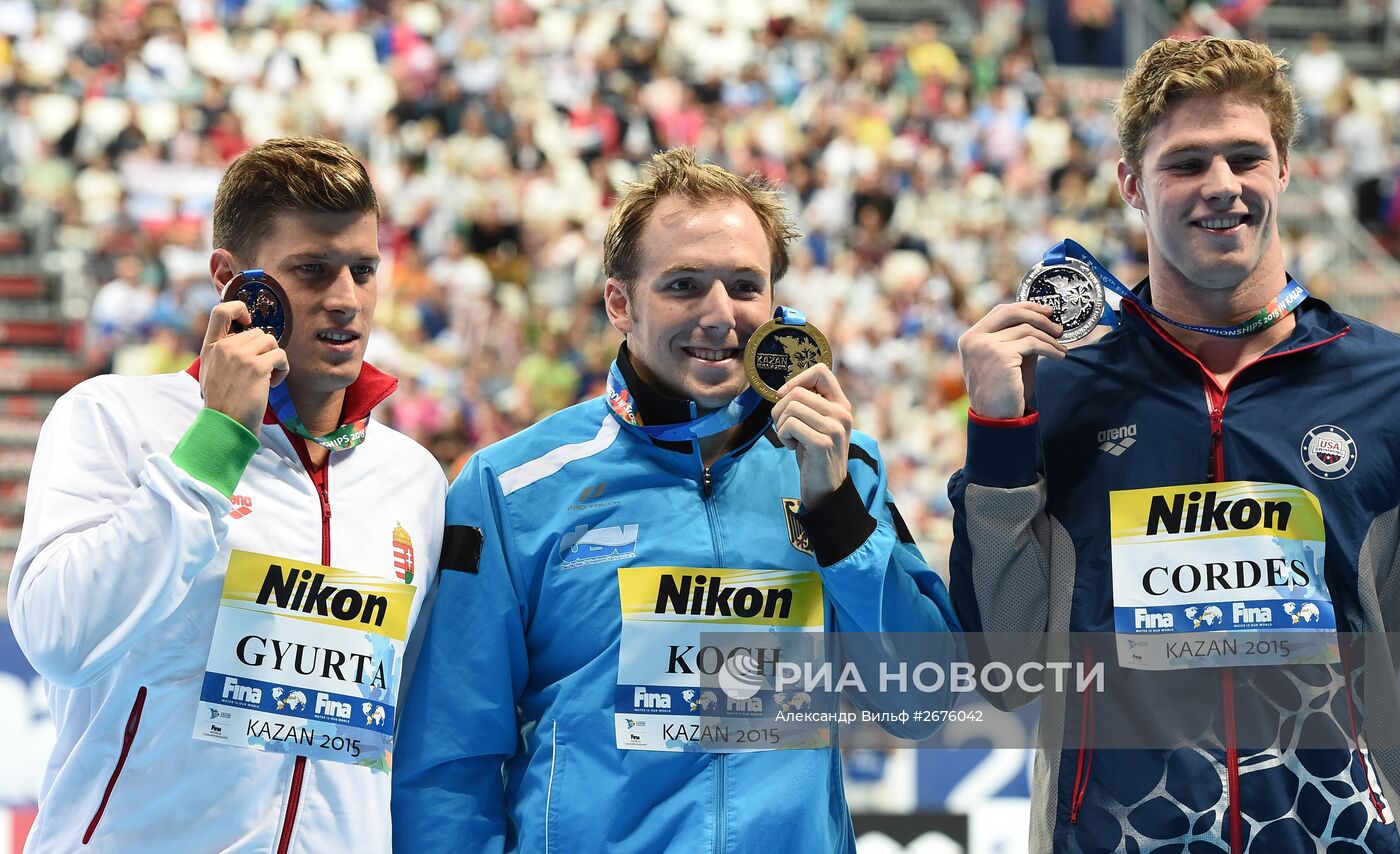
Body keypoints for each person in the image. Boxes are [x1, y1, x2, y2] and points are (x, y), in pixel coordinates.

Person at [393, 147, 959, 851]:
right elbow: (449, 764)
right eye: (685, 285)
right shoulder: (511, 488)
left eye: (745, 286)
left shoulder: (843, 468)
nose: (721, 315)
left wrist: (834, 509)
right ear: (619, 302)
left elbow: (923, 703)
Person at [950, 37, 1400, 852]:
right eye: (1186, 163)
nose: (1221, 186)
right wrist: (997, 439)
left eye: (1244, 157)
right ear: (1131, 183)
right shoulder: (1055, 391)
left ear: (1285, 169)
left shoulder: (1385, 385)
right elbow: (1001, 663)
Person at [8, 137, 446, 853]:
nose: (345, 299)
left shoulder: (413, 477)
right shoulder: (116, 419)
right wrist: (214, 446)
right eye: (311, 270)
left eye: (363, 271)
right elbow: (60, 639)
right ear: (230, 280)